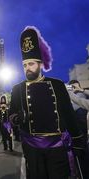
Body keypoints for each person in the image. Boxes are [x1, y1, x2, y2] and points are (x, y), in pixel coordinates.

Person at [9, 26, 86, 179]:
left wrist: (78, 141)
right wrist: (17, 118)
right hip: (33, 150)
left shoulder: (57, 85)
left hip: (57, 150)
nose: (27, 68)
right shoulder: (17, 89)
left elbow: (69, 114)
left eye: (31, 64)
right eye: (25, 65)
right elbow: (11, 116)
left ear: (41, 64)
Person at [67, 80, 89, 178]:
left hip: (82, 134)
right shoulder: (80, 93)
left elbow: (79, 103)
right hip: (81, 135)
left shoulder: (81, 95)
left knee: (84, 159)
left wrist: (70, 93)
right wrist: (82, 89)